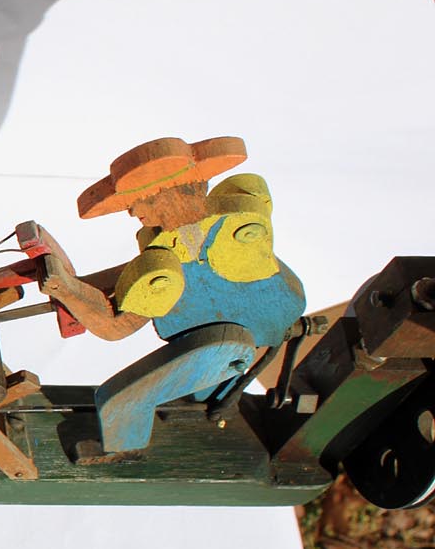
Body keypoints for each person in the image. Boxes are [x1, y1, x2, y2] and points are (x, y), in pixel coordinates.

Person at [37, 137, 305, 459]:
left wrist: (65, 290)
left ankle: (123, 451)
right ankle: (201, 404)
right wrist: (74, 287)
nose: (133, 211)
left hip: (230, 343)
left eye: (139, 201)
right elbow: (131, 278)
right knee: (202, 393)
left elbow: (116, 327)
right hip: (234, 334)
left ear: (172, 195)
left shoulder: (177, 262)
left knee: (122, 398)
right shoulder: (191, 239)